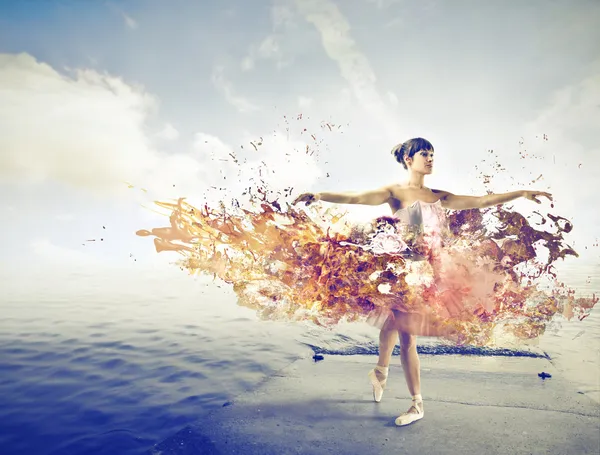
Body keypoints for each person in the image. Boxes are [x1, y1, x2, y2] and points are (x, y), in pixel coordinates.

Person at [292, 137, 552, 426]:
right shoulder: (394, 193)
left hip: (432, 275)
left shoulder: (438, 195)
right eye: (424, 154)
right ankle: (416, 403)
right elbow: (356, 197)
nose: (430, 159)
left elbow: (480, 201)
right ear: (408, 159)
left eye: (432, 154)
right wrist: (318, 196)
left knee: (394, 323)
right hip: (403, 273)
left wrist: (522, 193)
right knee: (405, 334)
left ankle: (380, 371)